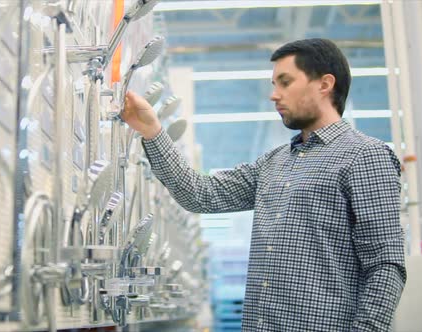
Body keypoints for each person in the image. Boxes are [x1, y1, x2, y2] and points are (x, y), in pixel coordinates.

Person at [122, 38, 406, 331]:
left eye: (285, 82)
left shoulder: (365, 156)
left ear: (325, 84)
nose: (274, 95)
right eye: (274, 84)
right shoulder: (273, 163)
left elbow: (386, 266)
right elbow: (200, 194)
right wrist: (152, 130)